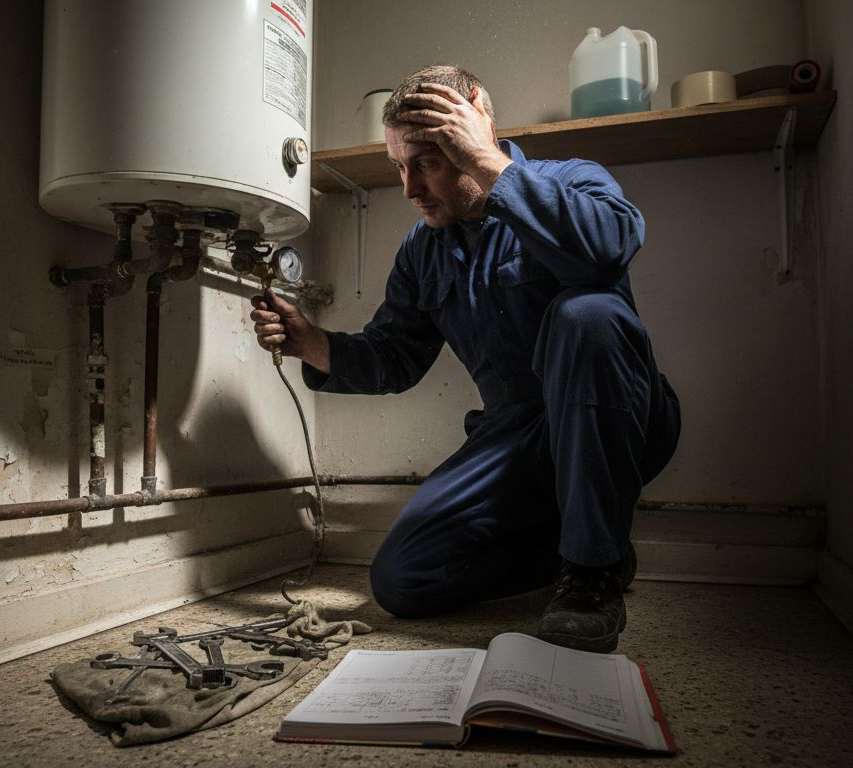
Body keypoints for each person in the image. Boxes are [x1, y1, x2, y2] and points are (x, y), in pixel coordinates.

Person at [250, 64, 680, 653]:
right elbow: (395, 356)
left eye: (427, 161)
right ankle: (581, 546)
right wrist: (311, 342)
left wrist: (487, 165)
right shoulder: (424, 250)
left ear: (479, 124)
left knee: (588, 314)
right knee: (403, 579)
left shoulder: (571, 180)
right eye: (400, 167)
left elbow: (606, 250)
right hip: (515, 435)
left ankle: (592, 573)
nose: (408, 189)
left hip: (617, 417)